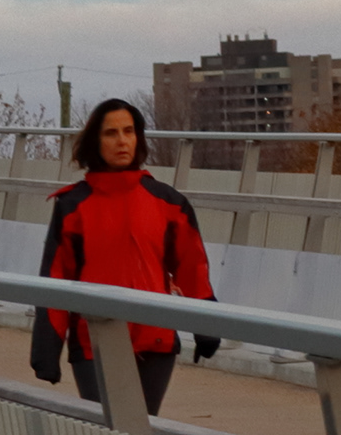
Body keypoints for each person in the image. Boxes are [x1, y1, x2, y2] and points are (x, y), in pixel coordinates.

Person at [31, 97, 219, 416]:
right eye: (111, 133)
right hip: (93, 341)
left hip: (155, 340)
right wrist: (46, 349)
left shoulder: (168, 203)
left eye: (129, 131)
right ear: (95, 141)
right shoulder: (72, 205)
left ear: (138, 138)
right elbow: (56, 279)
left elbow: (193, 270)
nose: (122, 141)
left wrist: (207, 327)